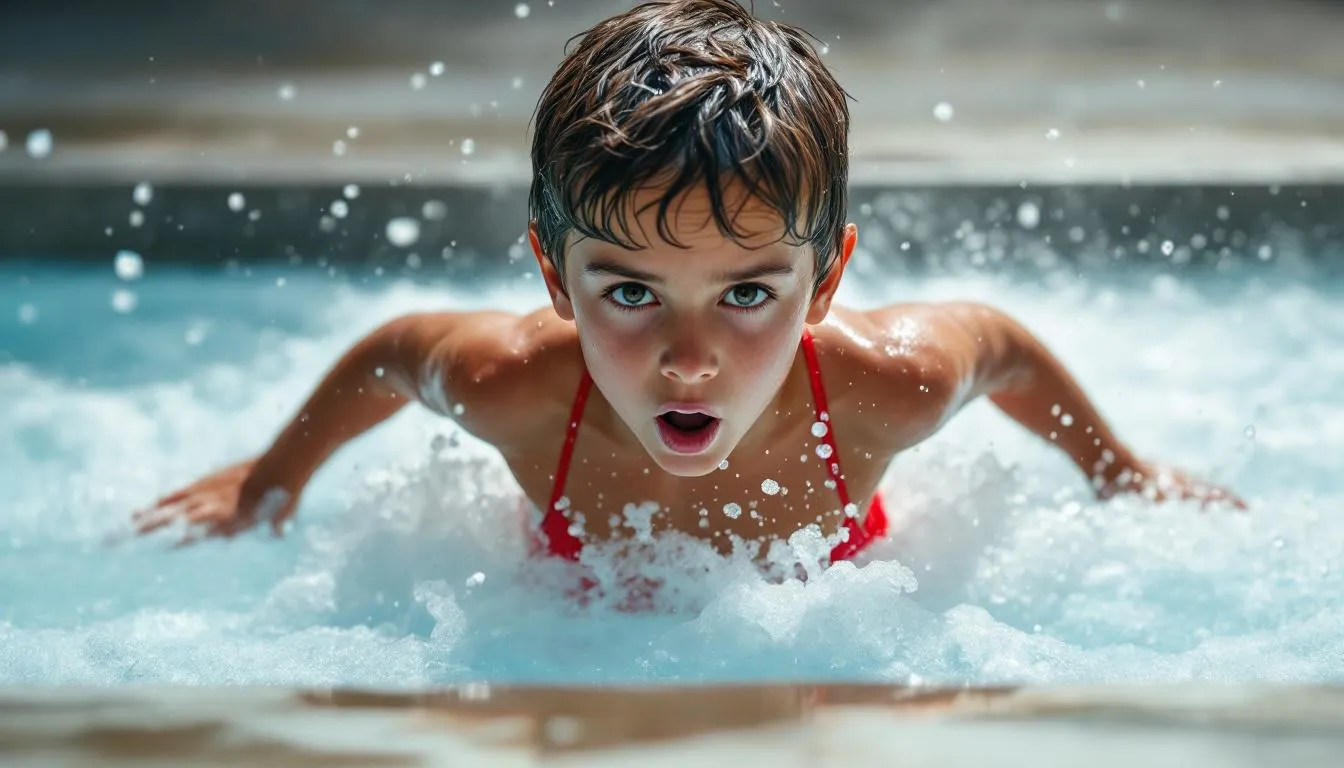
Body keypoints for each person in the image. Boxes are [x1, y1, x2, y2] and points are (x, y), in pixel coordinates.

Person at [132, 0, 1242, 573]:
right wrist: (268, 484)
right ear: (551, 277)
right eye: (630, 293)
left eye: (748, 294)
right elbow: (391, 353)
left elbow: (997, 342)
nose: (689, 355)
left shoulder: (879, 390)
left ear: (826, 283)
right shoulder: (513, 385)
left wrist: (1120, 472)